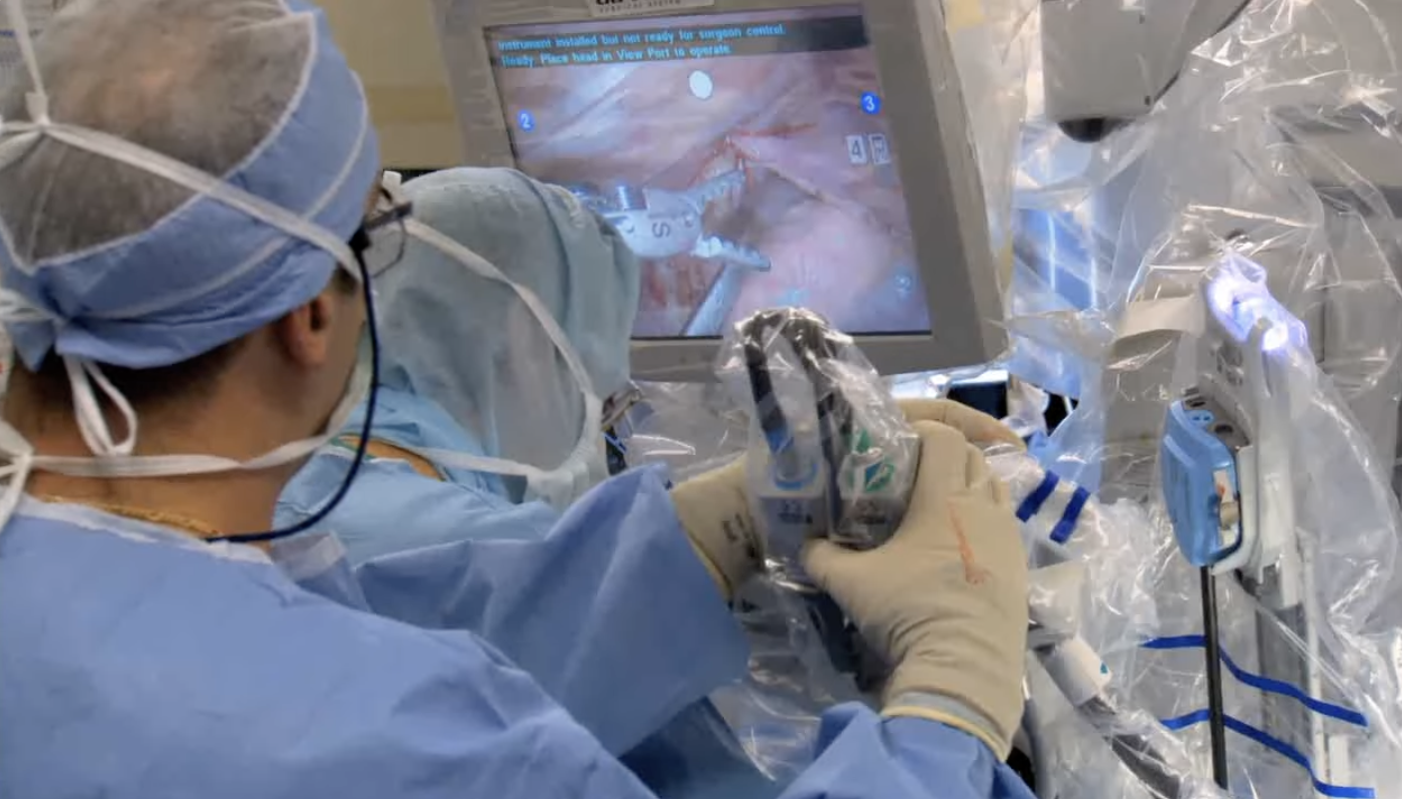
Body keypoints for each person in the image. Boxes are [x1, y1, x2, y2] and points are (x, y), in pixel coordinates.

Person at [0, 2, 1035, 799]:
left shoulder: (71, 578)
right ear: (309, 314)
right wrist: (948, 703)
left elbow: (382, 628)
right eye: (378, 231)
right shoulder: (424, 748)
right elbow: (392, 714)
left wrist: (714, 525)